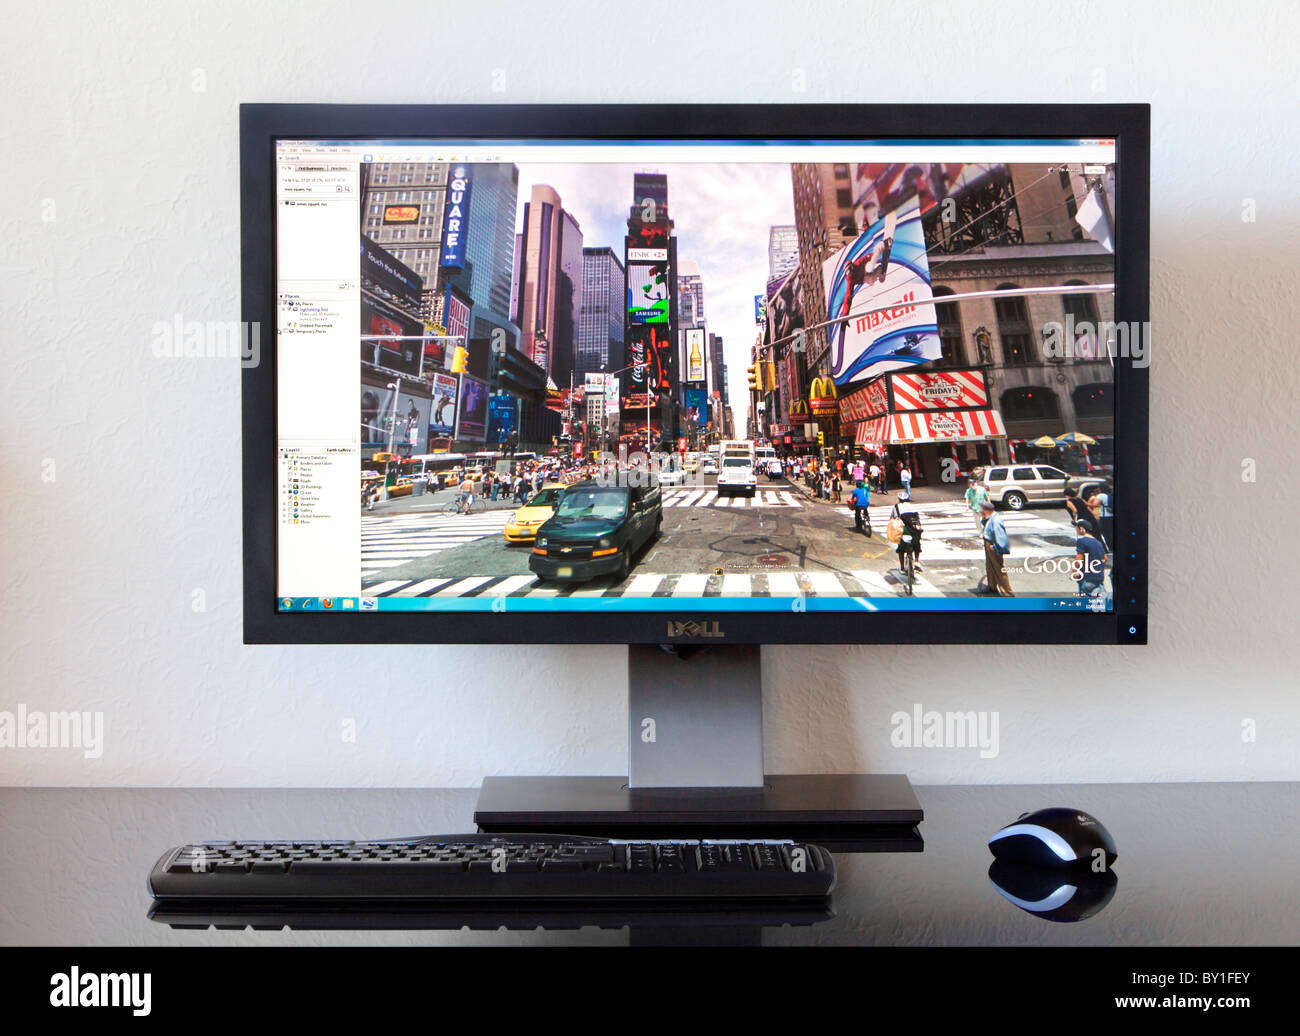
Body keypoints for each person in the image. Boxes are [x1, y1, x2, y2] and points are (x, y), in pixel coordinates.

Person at [979, 499, 1013, 595]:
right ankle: (992, 586)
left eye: (983, 509)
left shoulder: (996, 520)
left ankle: (1008, 593)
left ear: (987, 510)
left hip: (993, 545)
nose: (981, 511)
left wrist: (996, 547)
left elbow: (1001, 536)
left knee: (998, 569)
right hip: (988, 543)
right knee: (990, 567)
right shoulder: (990, 518)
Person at [1073, 519, 1107, 596]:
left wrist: (1074, 571)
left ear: (1082, 529)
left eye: (1077, 527)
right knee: (1098, 605)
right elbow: (1105, 558)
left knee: (1086, 604)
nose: (1076, 529)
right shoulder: (1098, 543)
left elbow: (1079, 557)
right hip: (1099, 579)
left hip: (1087, 578)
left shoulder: (1082, 541)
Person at [891, 501, 924, 572]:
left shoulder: (896, 506)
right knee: (917, 544)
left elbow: (892, 518)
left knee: (901, 549)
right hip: (915, 530)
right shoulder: (912, 506)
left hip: (903, 530)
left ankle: (902, 567)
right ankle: (917, 561)